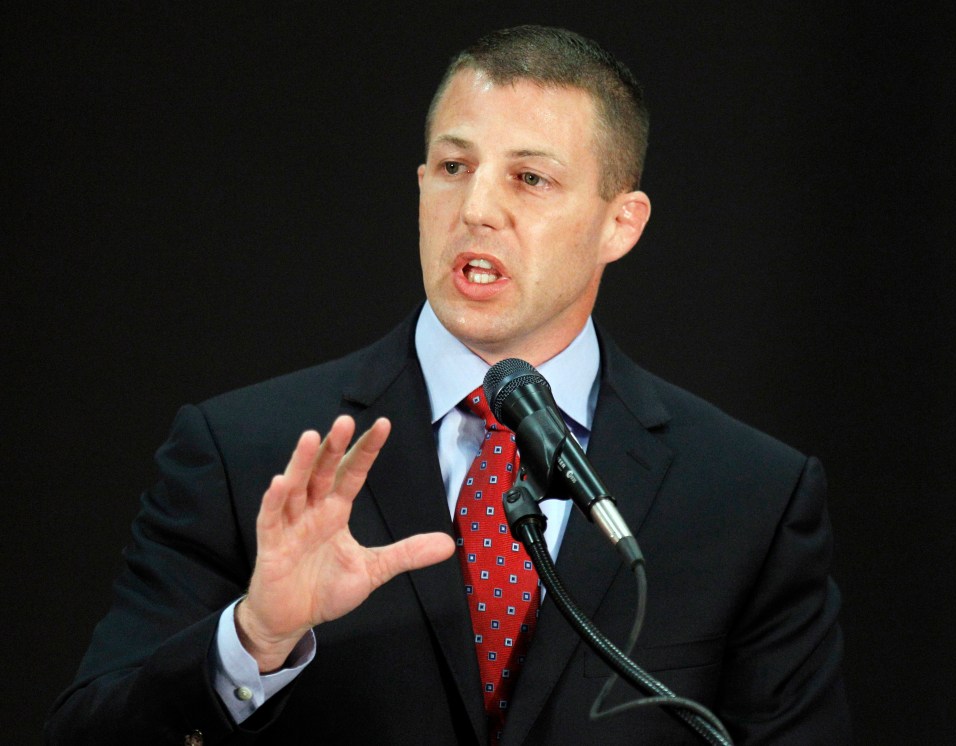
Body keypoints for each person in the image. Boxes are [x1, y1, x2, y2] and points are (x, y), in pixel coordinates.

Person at [46, 25, 850, 745]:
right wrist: (255, 638)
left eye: (529, 178)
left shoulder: (749, 495)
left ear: (621, 223)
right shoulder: (246, 453)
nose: (476, 209)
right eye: (454, 167)